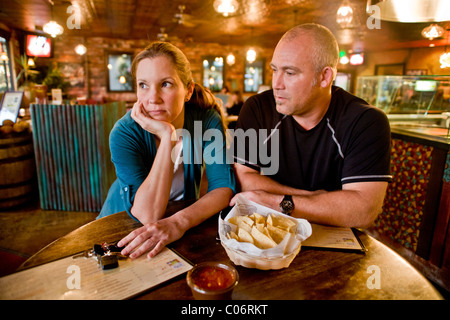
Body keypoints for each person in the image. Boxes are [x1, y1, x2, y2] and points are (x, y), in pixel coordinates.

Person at [230, 23, 392, 228]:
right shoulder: (258, 108)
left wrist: (276, 201)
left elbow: (363, 210)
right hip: (269, 228)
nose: (276, 84)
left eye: (290, 73)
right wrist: (315, 199)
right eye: (274, 70)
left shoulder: (365, 121)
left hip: (333, 237)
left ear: (325, 77)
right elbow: (243, 177)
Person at [98, 41, 235, 259]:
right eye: (143, 85)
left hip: (172, 226)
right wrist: (167, 136)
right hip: (120, 229)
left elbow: (224, 188)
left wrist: (179, 222)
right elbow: (147, 214)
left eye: (166, 84)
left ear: (188, 90)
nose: (153, 98)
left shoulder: (206, 120)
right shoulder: (123, 133)